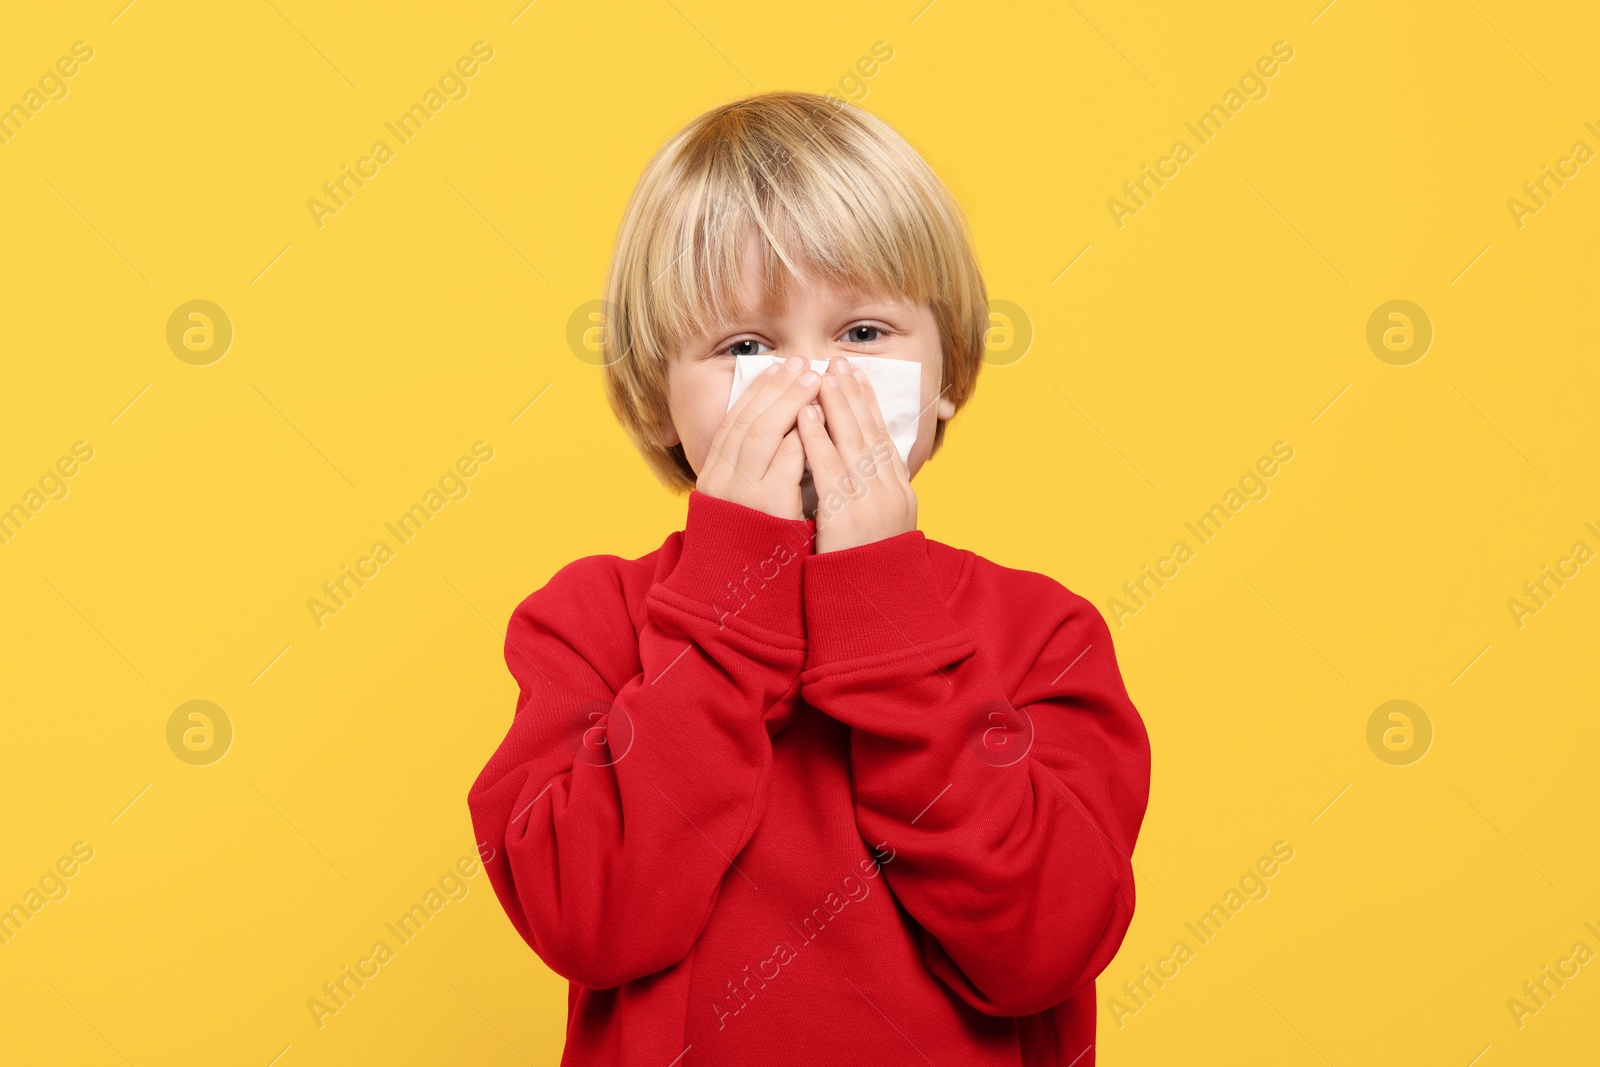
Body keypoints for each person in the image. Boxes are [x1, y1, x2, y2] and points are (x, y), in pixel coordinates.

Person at [467, 89, 1151, 1066]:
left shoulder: (1044, 633)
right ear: (659, 399)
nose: (813, 380)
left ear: (944, 369)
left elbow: (1041, 949)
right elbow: (589, 918)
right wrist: (725, 601)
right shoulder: (586, 624)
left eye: (863, 333)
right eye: (746, 347)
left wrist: (882, 607)